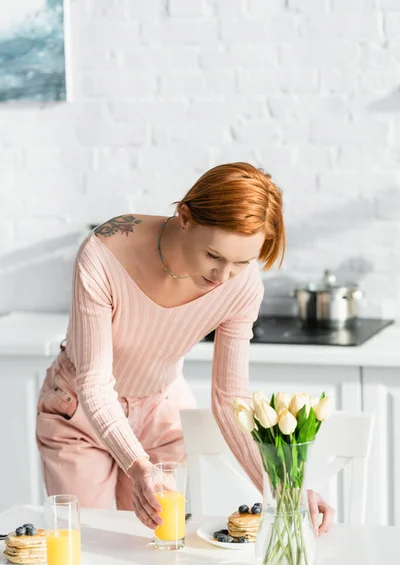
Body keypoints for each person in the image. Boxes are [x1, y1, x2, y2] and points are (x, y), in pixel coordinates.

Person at [36, 162, 334, 536]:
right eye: (213, 255)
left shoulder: (241, 288)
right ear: (185, 218)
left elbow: (230, 399)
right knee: (88, 547)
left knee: (157, 550)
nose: (223, 276)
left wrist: (285, 490)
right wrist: (137, 465)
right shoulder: (104, 254)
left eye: (242, 262)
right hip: (79, 412)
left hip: (159, 411)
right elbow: (94, 383)